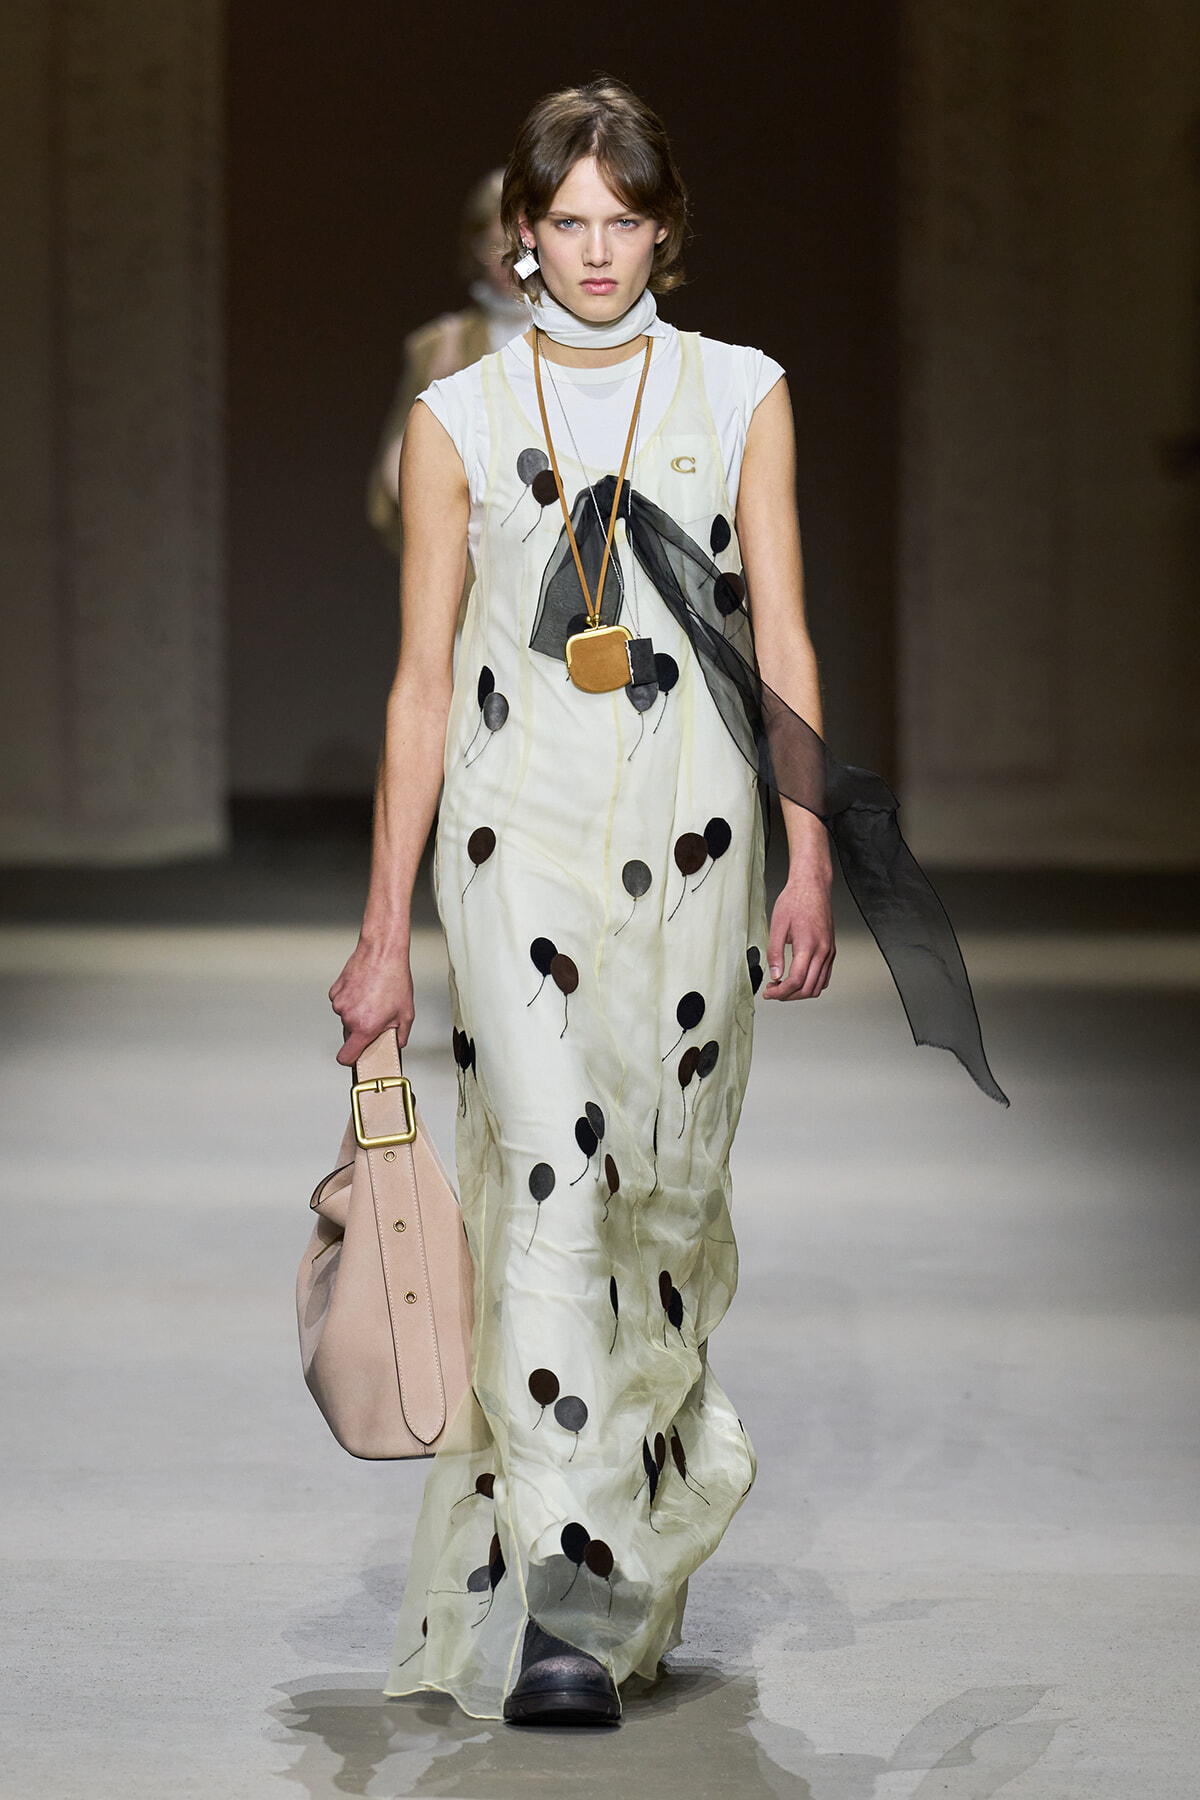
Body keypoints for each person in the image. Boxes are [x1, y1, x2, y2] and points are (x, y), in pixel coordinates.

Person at [331, 77, 1003, 1730]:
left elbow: (783, 635)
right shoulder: (459, 419)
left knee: (663, 1214)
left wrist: (807, 842)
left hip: (700, 828)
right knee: (552, 1178)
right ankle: (565, 1606)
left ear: (665, 230)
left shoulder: (742, 392)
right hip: (512, 829)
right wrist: (378, 928)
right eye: (566, 222)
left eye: (622, 219)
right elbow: (419, 687)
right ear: (523, 234)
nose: (595, 249)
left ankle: (635, 1518)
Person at [366, 168, 528, 556]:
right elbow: (390, 492)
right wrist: (435, 393)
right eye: (493, 247)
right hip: (472, 564)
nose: (507, 262)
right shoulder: (440, 345)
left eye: (520, 249)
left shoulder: (581, 337)